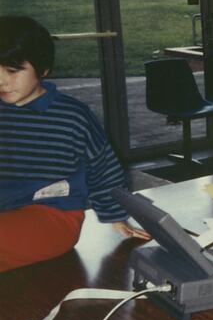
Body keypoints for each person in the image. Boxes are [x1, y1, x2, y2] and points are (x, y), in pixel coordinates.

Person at [0, 16, 149, 272]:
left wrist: (115, 215)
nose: (2, 81)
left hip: (53, 215)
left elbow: (103, 167)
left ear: (43, 69)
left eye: (12, 71)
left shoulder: (72, 116)